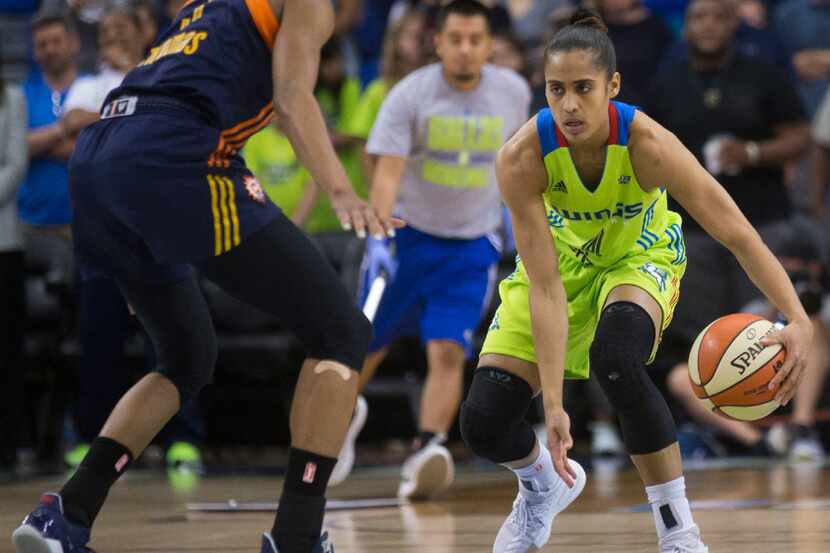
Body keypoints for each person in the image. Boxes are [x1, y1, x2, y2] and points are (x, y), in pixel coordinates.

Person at [12, 2, 398, 553]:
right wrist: (341, 190)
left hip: (101, 158)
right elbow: (291, 100)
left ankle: (65, 514)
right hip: (177, 154)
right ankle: (297, 537)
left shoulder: (206, 7)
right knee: (341, 333)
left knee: (187, 355)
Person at [466, 8, 812, 553]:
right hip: (560, 269)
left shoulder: (648, 143)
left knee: (617, 358)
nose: (570, 105)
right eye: (556, 89)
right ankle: (542, 484)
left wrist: (797, 317)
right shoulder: (522, 158)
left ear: (613, 85)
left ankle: (677, 529)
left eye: (584, 88)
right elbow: (546, 287)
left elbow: (737, 233)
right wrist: (552, 406)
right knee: (483, 422)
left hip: (639, 258)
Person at [331, 0, 531, 499]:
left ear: (488, 45)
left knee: (447, 350)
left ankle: (426, 448)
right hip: (408, 238)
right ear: (437, 42)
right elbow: (387, 173)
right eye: (455, 39)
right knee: (367, 346)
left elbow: (518, 167)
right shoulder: (408, 95)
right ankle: (334, 426)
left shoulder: (513, 92)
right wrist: (379, 236)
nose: (465, 50)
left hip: (470, 245)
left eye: (475, 40)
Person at [647, 0, 824, 462]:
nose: (706, 26)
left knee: (771, 331)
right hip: (691, 233)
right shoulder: (667, 81)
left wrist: (750, 152)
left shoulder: (763, 72)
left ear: (733, 22)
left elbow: (802, 137)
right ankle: (727, 433)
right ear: (685, 27)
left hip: (762, 226)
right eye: (697, 18)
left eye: (716, 16)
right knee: (705, 344)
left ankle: (796, 429)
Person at [18, 11, 80, 295]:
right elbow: (15, 147)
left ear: (73, 43)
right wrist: (64, 129)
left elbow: (96, 149)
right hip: (29, 226)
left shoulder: (91, 88)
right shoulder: (22, 94)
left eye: (55, 41)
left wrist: (38, 143)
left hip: (81, 226)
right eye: (41, 44)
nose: (49, 49)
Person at [0, 51, 29, 476]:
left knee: (5, 348)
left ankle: (6, 448)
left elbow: (17, 162)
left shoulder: (14, 98)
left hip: (4, 239)